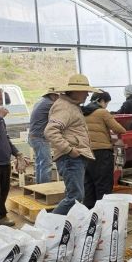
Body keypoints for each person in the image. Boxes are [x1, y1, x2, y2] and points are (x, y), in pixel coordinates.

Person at [45, 74, 100, 216]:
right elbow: (50, 131)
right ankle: (50, 223)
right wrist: (69, 150)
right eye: (85, 91)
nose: (88, 95)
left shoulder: (70, 106)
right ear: (75, 91)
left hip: (72, 157)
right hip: (70, 158)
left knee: (73, 194)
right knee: (75, 197)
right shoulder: (65, 107)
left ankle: (62, 224)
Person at [0, 86, 28, 235]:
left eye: (1, 99)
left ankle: (0, 217)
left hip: (3, 160)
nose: (0, 103)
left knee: (3, 191)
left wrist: (17, 153)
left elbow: (5, 137)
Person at [82, 91, 127, 208]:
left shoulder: (83, 111)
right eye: (106, 103)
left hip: (86, 152)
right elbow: (119, 129)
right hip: (101, 152)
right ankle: (103, 212)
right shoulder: (102, 112)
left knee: (89, 185)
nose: (106, 106)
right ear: (101, 101)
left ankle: (89, 213)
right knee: (103, 184)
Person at [28, 88, 59, 184]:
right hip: (40, 138)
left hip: (33, 137)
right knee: (46, 164)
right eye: (58, 96)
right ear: (53, 95)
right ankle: (45, 188)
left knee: (39, 164)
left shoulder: (40, 102)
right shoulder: (50, 104)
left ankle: (39, 187)